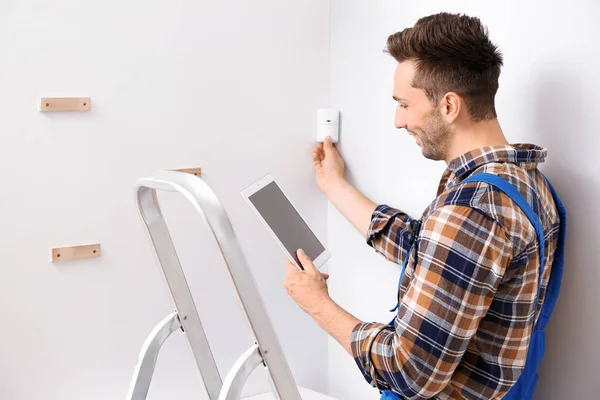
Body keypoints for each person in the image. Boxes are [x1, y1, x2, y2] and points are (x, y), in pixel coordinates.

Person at [283, 12, 564, 400]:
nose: (398, 121)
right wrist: (334, 185)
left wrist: (317, 304)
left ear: (449, 106)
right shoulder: (525, 183)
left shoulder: (471, 210)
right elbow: (429, 250)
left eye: (403, 104)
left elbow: (408, 372)